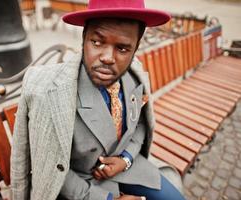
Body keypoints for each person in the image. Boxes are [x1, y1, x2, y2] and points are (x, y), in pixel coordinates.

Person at [11, 0, 186, 199]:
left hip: (126, 166)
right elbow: (50, 167)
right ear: (84, 38)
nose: (108, 57)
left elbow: (139, 126)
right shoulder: (50, 92)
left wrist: (126, 159)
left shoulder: (134, 76)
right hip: (78, 184)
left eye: (122, 49)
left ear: (135, 49)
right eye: (97, 42)